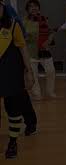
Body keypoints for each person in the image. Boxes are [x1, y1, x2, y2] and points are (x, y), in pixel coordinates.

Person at [0, 0, 35, 158]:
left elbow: (22, 48)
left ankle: (13, 142)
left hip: (11, 72)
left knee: (13, 109)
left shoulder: (13, 25)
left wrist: (29, 71)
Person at [5, 1, 38, 136]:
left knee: (17, 95)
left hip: (12, 59)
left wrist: (27, 69)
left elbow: (21, 38)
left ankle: (30, 122)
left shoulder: (8, 11)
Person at [24, 0, 56, 100]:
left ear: (39, 7)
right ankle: (36, 94)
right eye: (31, 6)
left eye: (36, 6)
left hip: (44, 51)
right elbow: (21, 37)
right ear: (27, 9)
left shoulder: (44, 19)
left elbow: (51, 32)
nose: (34, 8)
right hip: (31, 52)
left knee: (51, 71)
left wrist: (49, 40)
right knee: (34, 74)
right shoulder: (24, 21)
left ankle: (50, 92)